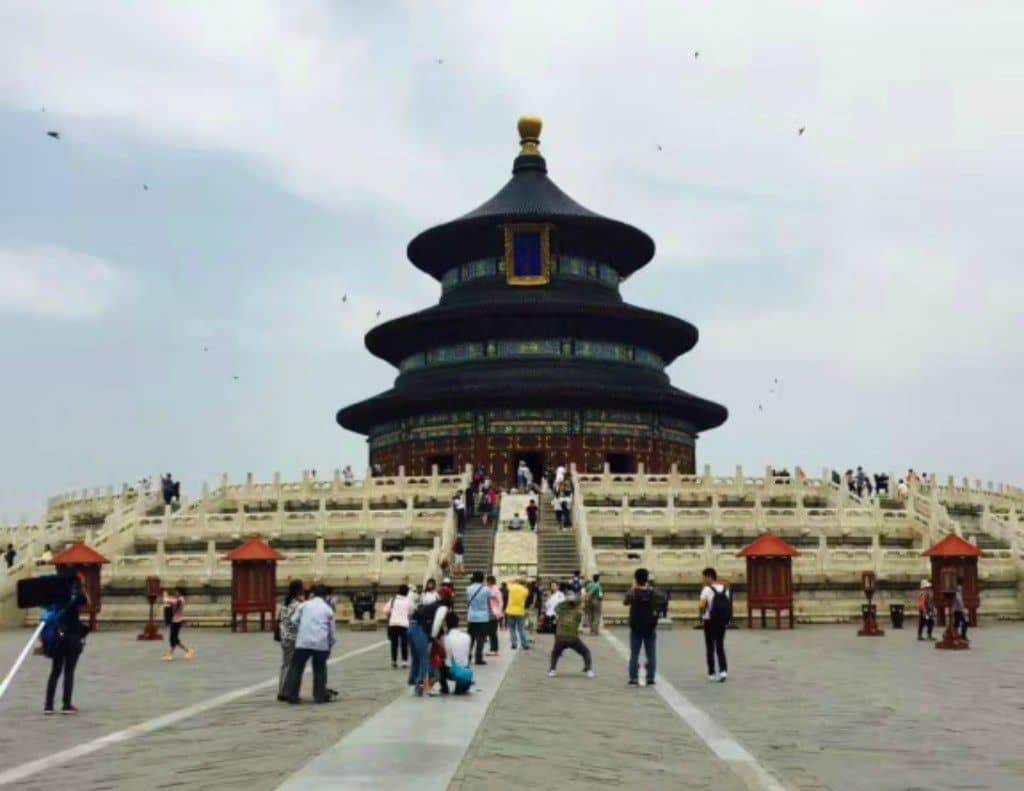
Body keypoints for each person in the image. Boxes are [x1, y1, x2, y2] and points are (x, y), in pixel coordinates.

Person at [281, 585, 336, 704]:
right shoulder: (328, 609)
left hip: (303, 642)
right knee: (320, 669)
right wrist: (330, 643)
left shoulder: (304, 605)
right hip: (320, 643)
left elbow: (293, 621)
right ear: (325, 596)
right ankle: (319, 696)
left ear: (312, 594)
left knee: (296, 668)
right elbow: (331, 631)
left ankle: (293, 695)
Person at [44, 572, 89, 714]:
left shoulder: (56, 596)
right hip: (72, 635)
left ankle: (48, 705)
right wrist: (82, 586)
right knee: (69, 671)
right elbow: (88, 602)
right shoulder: (77, 595)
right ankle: (66, 704)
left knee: (55, 671)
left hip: (58, 635)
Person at [624, 567, 664, 686]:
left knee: (634, 654)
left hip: (635, 626)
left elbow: (625, 602)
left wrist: (633, 587)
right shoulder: (653, 592)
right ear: (647, 579)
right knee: (651, 654)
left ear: (635, 579)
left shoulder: (632, 592)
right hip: (649, 626)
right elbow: (663, 598)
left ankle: (633, 677)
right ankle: (650, 677)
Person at [407, 588, 452, 696]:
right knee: (424, 659)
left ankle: (414, 681)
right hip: (419, 629)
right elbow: (437, 623)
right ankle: (422, 686)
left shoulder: (433, 605)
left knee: (417, 658)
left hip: (411, 628)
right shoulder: (443, 608)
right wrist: (432, 637)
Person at [548, 591, 594, 677]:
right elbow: (579, 607)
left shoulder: (561, 611)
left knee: (555, 653)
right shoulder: (578, 613)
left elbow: (556, 608)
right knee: (586, 652)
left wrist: (566, 600)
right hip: (572, 638)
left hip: (560, 637)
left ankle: (552, 670)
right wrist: (576, 600)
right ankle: (589, 670)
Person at [699, 567, 730, 682]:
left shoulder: (706, 590)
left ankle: (711, 672)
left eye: (704, 577)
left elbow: (702, 605)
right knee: (720, 646)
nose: (703, 580)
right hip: (721, 621)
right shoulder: (724, 589)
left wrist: (702, 613)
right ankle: (723, 671)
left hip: (709, 620)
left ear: (709, 577)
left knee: (710, 646)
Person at [276, 580, 305, 700]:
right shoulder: (297, 605)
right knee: (291, 665)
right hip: (293, 637)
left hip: (284, 636)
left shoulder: (285, 603)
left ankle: (282, 689)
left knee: (285, 664)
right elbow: (298, 621)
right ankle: (285, 691)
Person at [465, 571, 494, 665]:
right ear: (482, 579)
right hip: (483, 617)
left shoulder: (468, 588)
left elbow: (468, 600)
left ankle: (468, 657)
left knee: (471, 638)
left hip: (472, 616)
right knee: (481, 639)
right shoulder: (486, 589)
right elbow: (490, 599)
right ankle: (478, 658)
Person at [442, 611, 474, 694]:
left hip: (451, 671)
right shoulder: (467, 636)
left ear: (446, 624)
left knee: (440, 664)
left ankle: (444, 688)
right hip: (465, 669)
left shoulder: (446, 638)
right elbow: (467, 653)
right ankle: (463, 684)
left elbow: (446, 655)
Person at [385, 584, 414, 668]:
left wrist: (391, 615)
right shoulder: (408, 601)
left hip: (393, 624)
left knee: (394, 644)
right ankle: (404, 661)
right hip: (404, 624)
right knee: (404, 643)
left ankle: (394, 661)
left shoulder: (393, 600)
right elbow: (411, 611)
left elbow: (385, 610)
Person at [162, 587, 195, 661]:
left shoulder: (180, 600)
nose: (175, 593)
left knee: (173, 638)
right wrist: (167, 597)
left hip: (176, 621)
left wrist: (165, 595)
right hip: (176, 620)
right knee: (174, 639)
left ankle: (171, 654)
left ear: (179, 592)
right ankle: (187, 651)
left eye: (176, 592)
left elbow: (169, 601)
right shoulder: (179, 599)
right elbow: (171, 600)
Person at [505, 577, 531, 650]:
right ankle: (525, 644)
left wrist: (513, 580)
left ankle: (514, 644)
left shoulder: (512, 587)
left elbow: (507, 582)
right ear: (525, 583)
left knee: (512, 628)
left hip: (510, 611)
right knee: (521, 629)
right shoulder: (526, 590)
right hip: (520, 611)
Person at [486, 575, 503, 655]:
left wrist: (498, 612)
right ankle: (493, 649)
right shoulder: (488, 589)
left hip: (493, 613)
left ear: (489, 581)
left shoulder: (496, 590)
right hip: (489, 612)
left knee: (492, 632)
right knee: (490, 631)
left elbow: (500, 602)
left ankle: (495, 649)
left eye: (487, 581)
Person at [953, 576, 969, 641]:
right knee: (963, 622)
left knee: (958, 623)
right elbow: (960, 602)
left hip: (958, 610)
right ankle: (960, 635)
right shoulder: (957, 592)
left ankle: (960, 635)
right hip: (958, 610)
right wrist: (964, 610)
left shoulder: (958, 592)